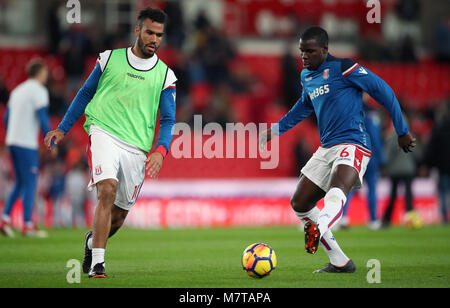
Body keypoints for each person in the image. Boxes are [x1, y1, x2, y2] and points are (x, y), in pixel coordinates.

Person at [259, 26, 415, 273]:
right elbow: (303, 106)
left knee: (336, 190)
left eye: (309, 51)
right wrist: (276, 130)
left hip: (354, 143)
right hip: (327, 147)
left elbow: (381, 90)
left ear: (324, 49)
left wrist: (401, 129)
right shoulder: (306, 77)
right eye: (301, 52)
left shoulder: (345, 68)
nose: (304, 56)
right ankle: (340, 261)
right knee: (299, 202)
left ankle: (318, 229)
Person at [44, 7, 177, 278]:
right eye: (150, 32)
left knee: (117, 218)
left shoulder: (166, 76)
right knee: (107, 189)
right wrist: (62, 128)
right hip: (103, 131)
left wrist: (160, 151)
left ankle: (93, 242)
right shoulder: (109, 60)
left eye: (159, 35)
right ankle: (98, 265)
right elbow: (84, 94)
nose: (154, 39)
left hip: (137, 147)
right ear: (138, 30)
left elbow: (168, 119)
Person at [0, 59, 51, 237]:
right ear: (39, 72)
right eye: (45, 72)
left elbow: (6, 118)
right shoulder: (39, 91)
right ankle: (28, 224)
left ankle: (4, 219)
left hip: (12, 141)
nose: (47, 75)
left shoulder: (17, 90)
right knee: (30, 182)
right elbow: (42, 116)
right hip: (26, 143)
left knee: (20, 182)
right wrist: (49, 138)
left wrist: (11, 134)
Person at [337, 106, 386, 230]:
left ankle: (343, 217)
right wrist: (381, 159)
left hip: (356, 156)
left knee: (349, 188)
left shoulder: (349, 115)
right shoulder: (371, 117)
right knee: (372, 189)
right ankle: (373, 219)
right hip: (370, 157)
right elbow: (375, 139)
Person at [381, 115, 422, 228]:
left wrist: (385, 168)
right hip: (408, 170)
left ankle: (386, 220)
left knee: (393, 195)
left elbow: (386, 157)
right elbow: (418, 155)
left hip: (395, 171)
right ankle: (411, 218)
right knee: (408, 195)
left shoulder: (391, 138)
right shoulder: (411, 137)